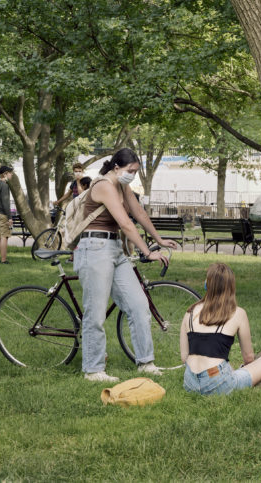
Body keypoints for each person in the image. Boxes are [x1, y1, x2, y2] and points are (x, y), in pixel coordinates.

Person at [74, 148, 181, 383]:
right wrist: (147, 252)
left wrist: (158, 239)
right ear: (116, 168)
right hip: (94, 249)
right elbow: (125, 223)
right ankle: (93, 370)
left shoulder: (122, 185)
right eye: (130, 171)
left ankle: (145, 362)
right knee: (96, 313)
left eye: (135, 171)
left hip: (114, 250)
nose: (132, 175)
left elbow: (139, 214)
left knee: (139, 305)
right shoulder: (103, 185)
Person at [180, 263, 261, 395]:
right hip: (218, 381)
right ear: (231, 287)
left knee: (228, 369)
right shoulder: (238, 313)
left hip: (190, 383)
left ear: (207, 284)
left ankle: (229, 372)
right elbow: (249, 357)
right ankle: (233, 375)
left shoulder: (190, 312)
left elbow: (184, 357)